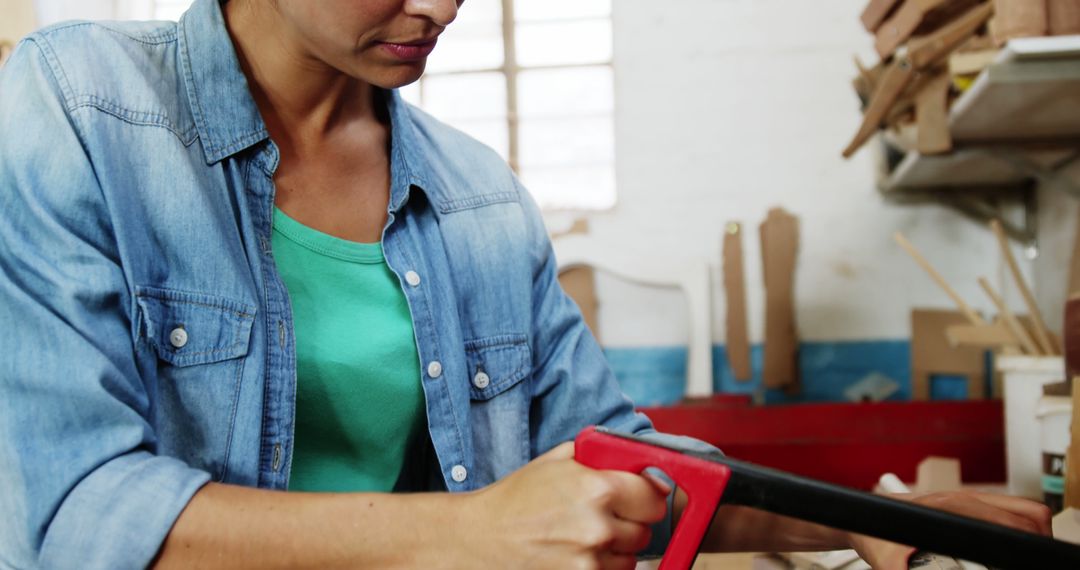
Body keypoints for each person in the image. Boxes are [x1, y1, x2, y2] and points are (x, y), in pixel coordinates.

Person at [0, 0, 1051, 568]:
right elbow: (78, 516)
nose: (445, 5)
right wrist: (470, 534)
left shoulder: (477, 197)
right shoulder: (78, 108)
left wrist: (877, 519)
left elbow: (611, 462)